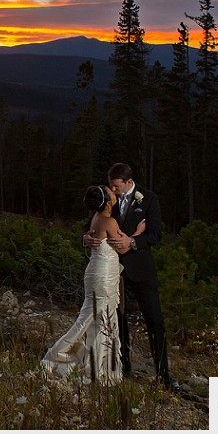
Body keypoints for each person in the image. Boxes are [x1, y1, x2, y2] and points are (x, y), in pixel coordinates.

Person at [85, 162, 179, 392]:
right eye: (110, 185)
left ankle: (163, 373)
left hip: (140, 267)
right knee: (117, 318)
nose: (112, 190)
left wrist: (134, 241)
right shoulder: (108, 199)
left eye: (116, 186)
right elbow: (92, 223)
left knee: (154, 319)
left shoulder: (148, 198)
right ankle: (122, 364)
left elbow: (156, 233)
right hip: (111, 268)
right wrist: (85, 237)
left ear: (128, 182)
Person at [41, 184, 144, 384]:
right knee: (93, 318)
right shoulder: (109, 222)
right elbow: (122, 249)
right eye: (110, 193)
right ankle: (58, 356)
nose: (114, 194)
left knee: (98, 319)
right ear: (107, 202)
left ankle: (97, 364)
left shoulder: (97, 218)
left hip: (98, 271)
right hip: (103, 275)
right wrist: (138, 233)